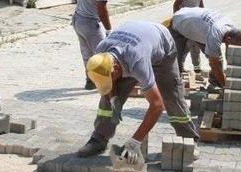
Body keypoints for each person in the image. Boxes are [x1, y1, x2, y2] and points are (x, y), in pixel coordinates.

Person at [76, 21, 199, 161]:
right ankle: (99, 138)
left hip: (163, 49)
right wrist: (113, 99)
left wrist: (135, 141)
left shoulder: (137, 63)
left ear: (115, 68)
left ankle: (189, 140)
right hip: (136, 43)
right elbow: (108, 84)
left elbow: (157, 105)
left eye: (110, 78)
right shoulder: (100, 54)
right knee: (106, 101)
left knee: (172, 96)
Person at [73, 0, 125, 90]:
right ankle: (109, 85)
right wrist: (108, 30)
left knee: (87, 53)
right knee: (104, 54)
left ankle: (90, 81)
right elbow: (102, 9)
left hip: (78, 19)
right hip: (90, 23)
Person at [164, 7, 241, 87]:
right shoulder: (215, 36)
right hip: (179, 22)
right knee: (176, 58)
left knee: (218, 59)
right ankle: (173, 85)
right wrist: (225, 85)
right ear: (228, 39)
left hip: (197, 26)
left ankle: (215, 82)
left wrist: (231, 70)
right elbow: (214, 64)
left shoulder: (231, 28)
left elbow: (228, 52)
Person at [172, 0, 219, 75]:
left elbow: (200, 0)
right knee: (184, 48)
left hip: (196, 21)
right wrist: (178, 23)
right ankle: (179, 70)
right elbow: (176, 5)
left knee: (194, 47)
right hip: (186, 22)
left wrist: (203, 14)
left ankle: (196, 69)